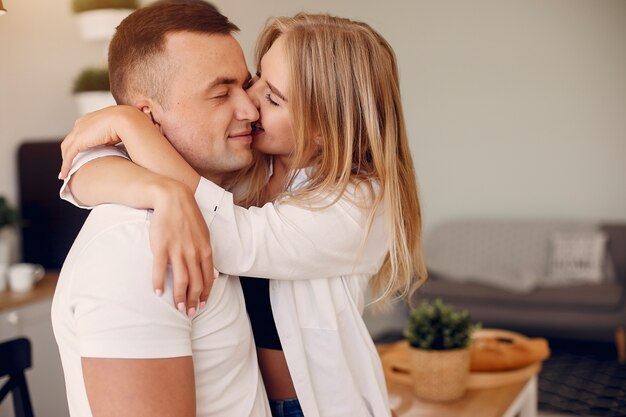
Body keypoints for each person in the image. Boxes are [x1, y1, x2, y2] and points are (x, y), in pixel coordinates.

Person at [59, 12, 426, 417]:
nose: (249, 104)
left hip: (312, 405)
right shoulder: (246, 166)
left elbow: (238, 239)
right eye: (256, 80)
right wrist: (154, 182)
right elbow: (80, 171)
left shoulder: (358, 203)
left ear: (325, 125)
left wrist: (131, 128)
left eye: (272, 98)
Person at [51, 1, 271, 417]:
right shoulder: (139, 248)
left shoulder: (222, 192)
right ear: (147, 118)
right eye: (222, 93)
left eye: (246, 86)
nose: (250, 110)